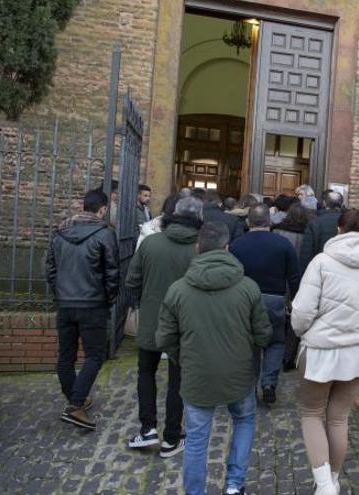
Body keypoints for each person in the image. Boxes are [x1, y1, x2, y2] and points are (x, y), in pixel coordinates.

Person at [156, 222, 272, 495]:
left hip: (197, 374)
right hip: (238, 371)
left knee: (197, 438)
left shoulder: (178, 290)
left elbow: (165, 338)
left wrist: (183, 358)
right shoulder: (248, 287)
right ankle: (234, 485)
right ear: (227, 248)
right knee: (243, 420)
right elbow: (263, 333)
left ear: (198, 248)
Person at [291, 209, 359, 495]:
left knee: (312, 413)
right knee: (339, 418)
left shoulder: (322, 263)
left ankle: (325, 485)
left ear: (339, 229)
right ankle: (332, 480)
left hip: (322, 351)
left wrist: (305, 333)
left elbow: (301, 313)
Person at [125, 196, 203, 458]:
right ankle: (171, 437)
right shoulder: (200, 248)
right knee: (178, 380)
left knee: (145, 373)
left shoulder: (151, 243)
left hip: (152, 320)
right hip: (185, 323)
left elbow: (132, 281)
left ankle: (148, 428)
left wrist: (146, 300)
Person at [45, 189, 119, 430]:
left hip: (66, 304)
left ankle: (77, 398)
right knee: (94, 356)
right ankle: (76, 404)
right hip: (92, 304)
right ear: (102, 209)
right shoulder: (105, 234)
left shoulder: (59, 232)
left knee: (65, 356)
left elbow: (50, 269)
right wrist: (108, 300)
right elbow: (112, 272)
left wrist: (61, 295)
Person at [230, 205, 301, 405]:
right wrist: (295, 300)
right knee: (276, 341)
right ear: (269, 222)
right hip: (275, 299)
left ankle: (250, 385)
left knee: (249, 341)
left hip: (244, 298)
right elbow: (294, 276)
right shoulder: (283, 244)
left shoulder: (236, 245)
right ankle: (268, 382)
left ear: (247, 222)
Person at [273, 203, 316, 371]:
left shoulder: (277, 231)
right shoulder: (308, 233)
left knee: (279, 316)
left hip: (280, 277)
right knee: (295, 317)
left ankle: (275, 348)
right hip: (301, 278)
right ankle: (288, 357)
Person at [300, 190, 344, 272]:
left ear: (324, 203)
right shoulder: (347, 221)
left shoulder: (315, 222)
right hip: (341, 270)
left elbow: (306, 252)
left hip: (319, 269)